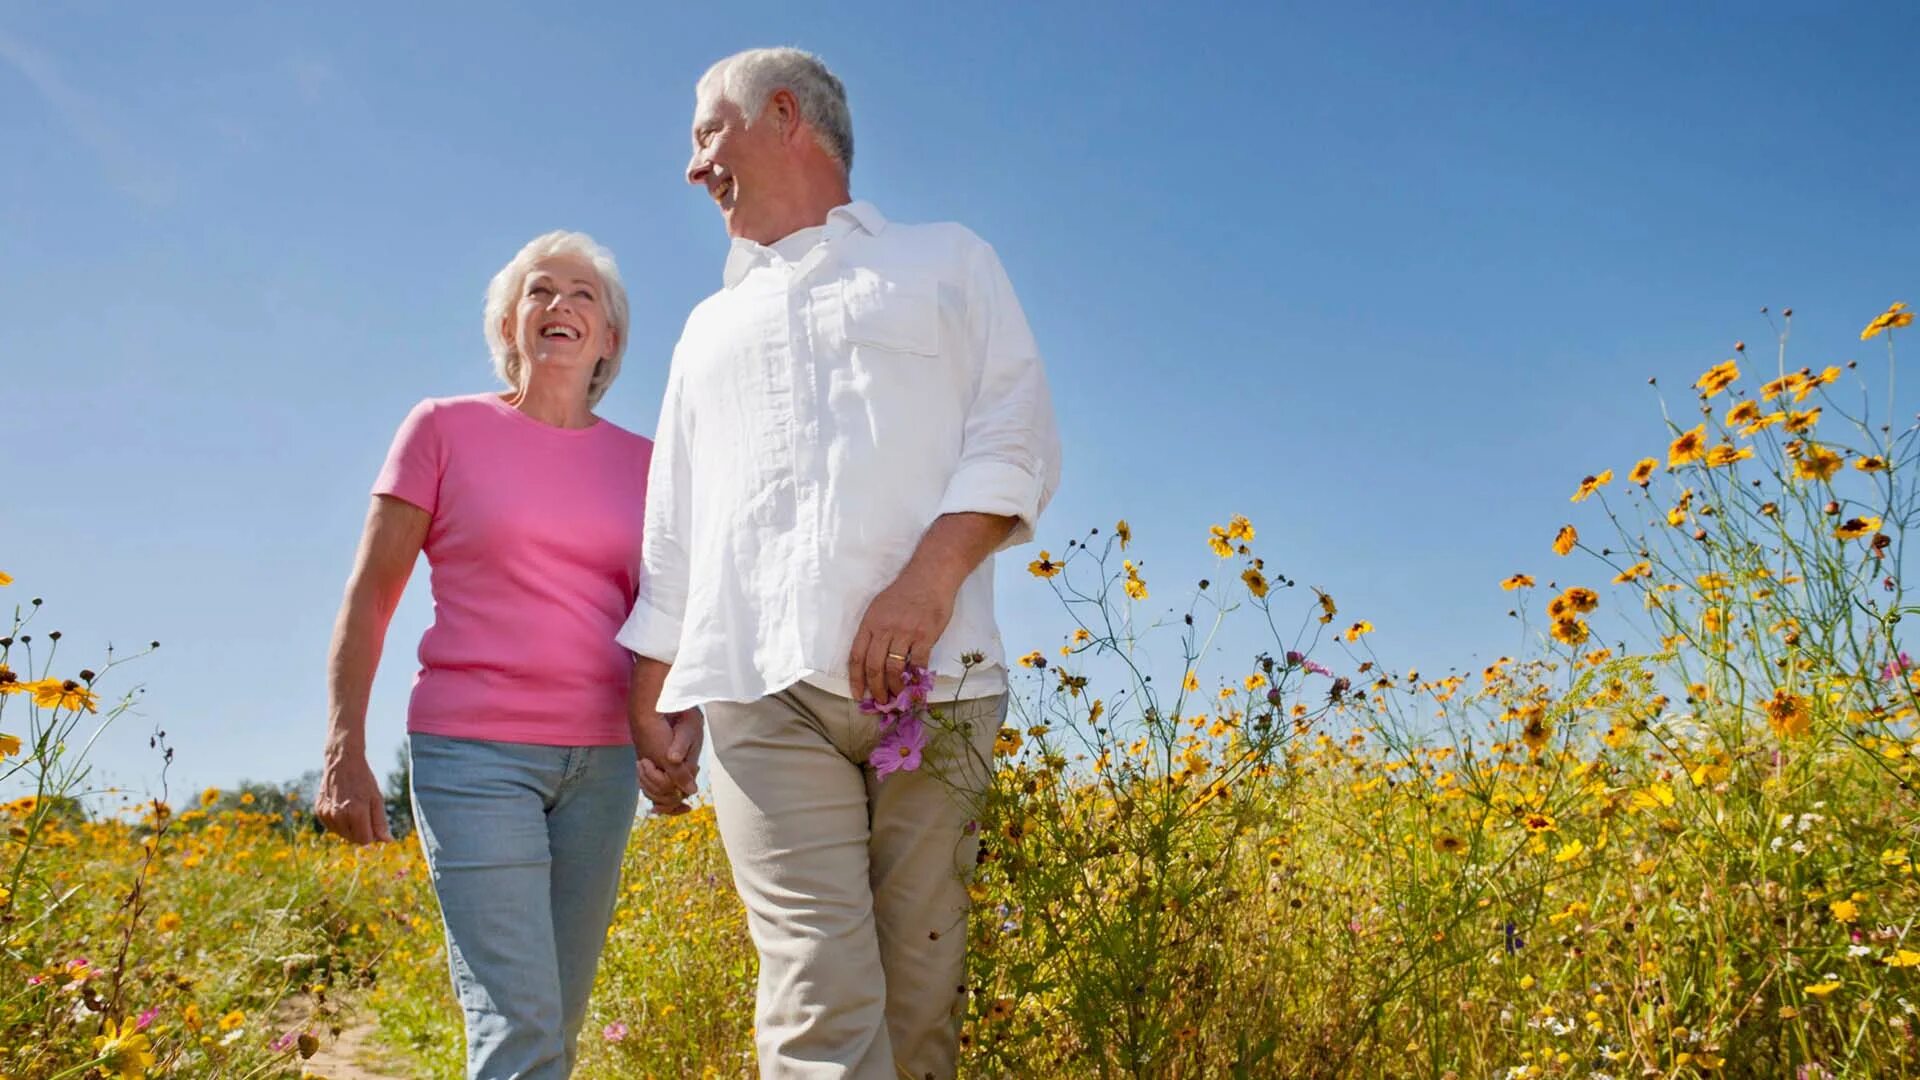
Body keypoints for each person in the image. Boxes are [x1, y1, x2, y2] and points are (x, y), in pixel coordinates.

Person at [618, 47, 1062, 1080]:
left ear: (783, 116)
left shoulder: (947, 260)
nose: (693, 169)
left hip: (941, 689)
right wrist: (656, 681)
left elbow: (1017, 435)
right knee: (820, 998)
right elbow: (677, 522)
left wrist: (926, 582)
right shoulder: (706, 329)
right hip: (763, 699)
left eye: (705, 133)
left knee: (918, 1005)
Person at [314, 231, 699, 1079]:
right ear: (507, 323)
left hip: (598, 766)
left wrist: (678, 730)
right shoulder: (442, 430)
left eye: (582, 295)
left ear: (611, 339)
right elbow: (371, 594)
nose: (559, 305)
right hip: (474, 754)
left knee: (555, 1023)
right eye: (538, 291)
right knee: (518, 1022)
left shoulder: (648, 466)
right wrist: (345, 750)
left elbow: (669, 617)